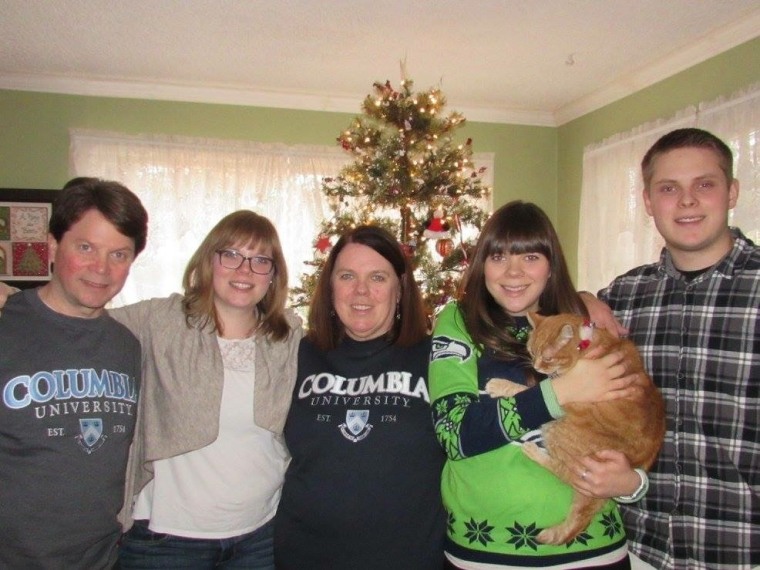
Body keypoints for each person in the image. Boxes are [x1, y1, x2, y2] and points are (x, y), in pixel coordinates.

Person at [429, 201, 646, 569]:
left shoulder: (585, 325)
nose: (513, 272)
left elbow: (631, 424)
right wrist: (562, 393)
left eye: (530, 257)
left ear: (551, 267)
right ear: (482, 266)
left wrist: (633, 483)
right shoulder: (458, 321)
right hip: (486, 553)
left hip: (593, 549)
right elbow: (455, 435)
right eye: (498, 257)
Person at [595, 128, 759, 570]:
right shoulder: (621, 299)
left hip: (740, 551)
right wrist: (579, 297)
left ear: (732, 192)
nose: (687, 201)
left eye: (704, 184)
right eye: (669, 189)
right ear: (649, 202)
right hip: (637, 550)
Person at [114, 210, 302, 569]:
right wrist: (15, 301)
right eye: (231, 254)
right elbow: (78, 320)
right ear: (208, 259)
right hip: (165, 541)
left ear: (273, 275)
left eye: (260, 260)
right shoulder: (160, 321)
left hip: (261, 537)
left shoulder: (289, 337)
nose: (244, 270)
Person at [273, 225, 447, 569]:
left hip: (408, 558)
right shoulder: (297, 353)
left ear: (400, 289)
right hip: (304, 555)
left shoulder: (437, 358)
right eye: (347, 276)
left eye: (378, 277)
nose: (361, 291)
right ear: (330, 287)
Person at [0, 178, 149, 569]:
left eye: (119, 254)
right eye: (86, 248)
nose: (101, 269)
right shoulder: (7, 325)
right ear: (52, 246)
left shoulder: (127, 346)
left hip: (100, 559)